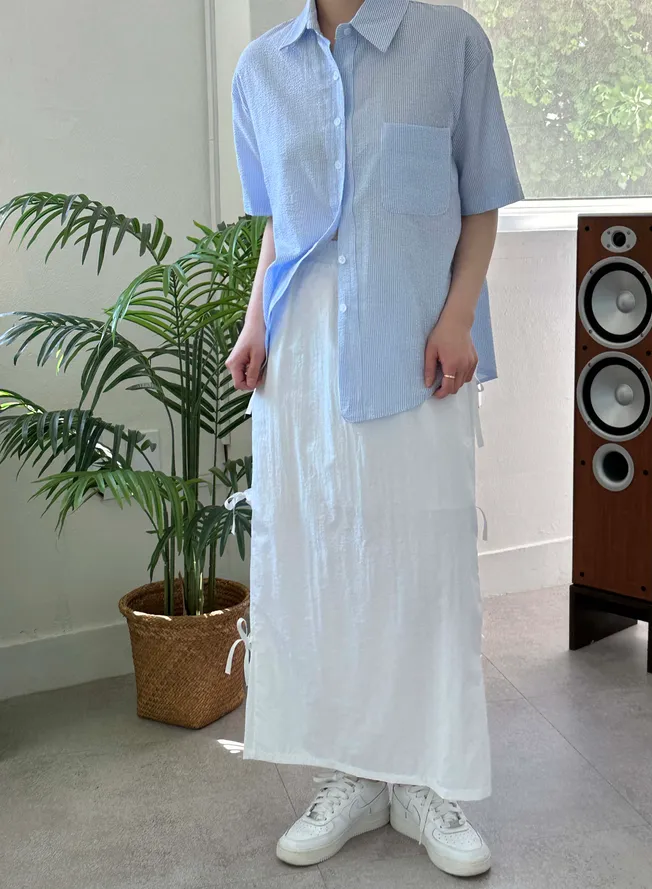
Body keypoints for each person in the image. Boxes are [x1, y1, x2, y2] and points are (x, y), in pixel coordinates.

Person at [226, 0, 523, 877]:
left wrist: (458, 317)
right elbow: (280, 226)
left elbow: (481, 203)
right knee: (325, 561)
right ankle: (352, 772)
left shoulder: (451, 42)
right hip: (303, 359)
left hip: (419, 350)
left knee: (423, 564)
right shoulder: (261, 69)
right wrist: (255, 324)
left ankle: (426, 776)